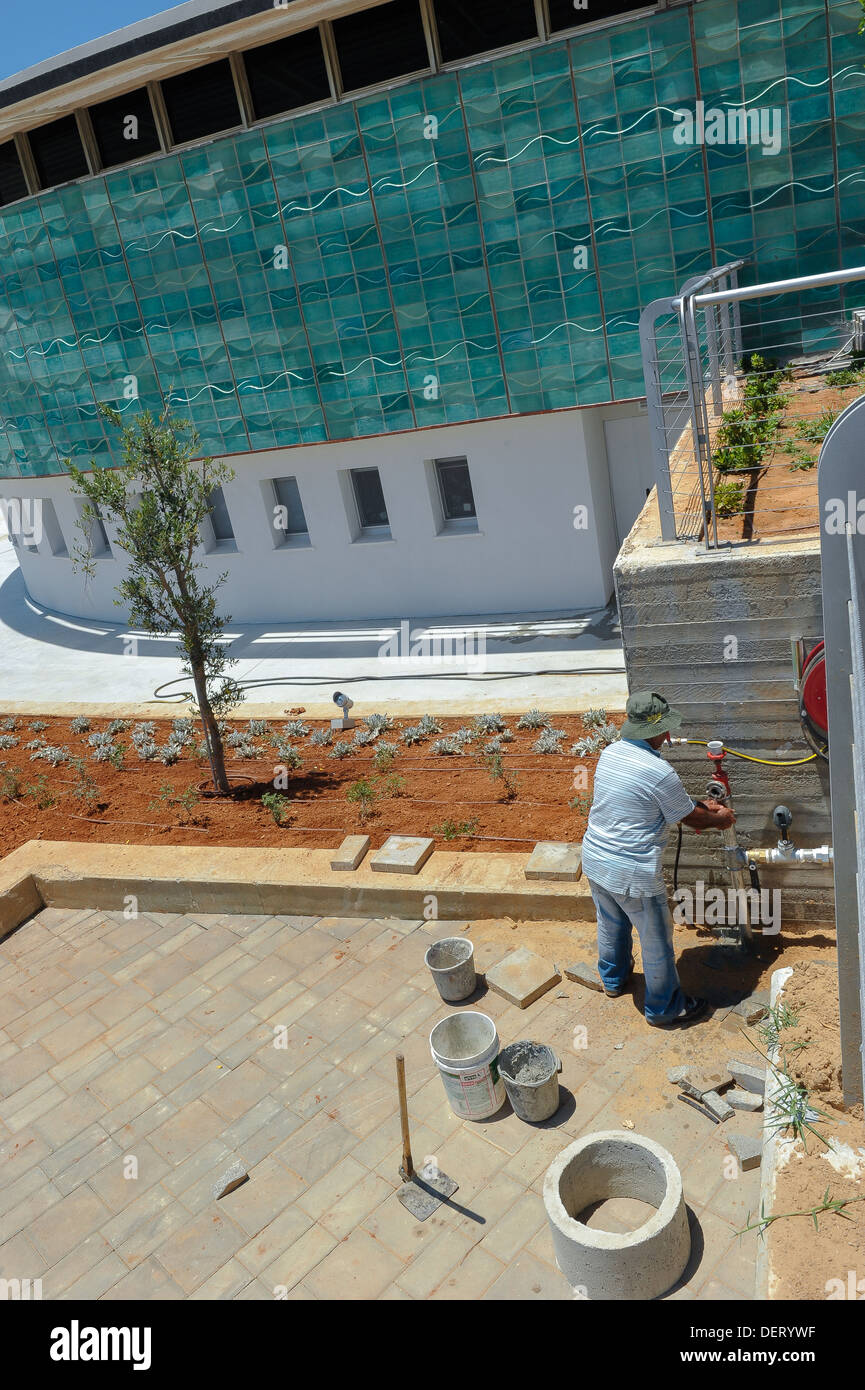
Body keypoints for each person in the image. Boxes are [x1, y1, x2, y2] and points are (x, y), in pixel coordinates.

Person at [580, 690, 735, 1028]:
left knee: (611, 923)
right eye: (664, 729)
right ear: (655, 730)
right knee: (656, 941)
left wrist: (700, 808)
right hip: (632, 874)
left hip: (595, 858)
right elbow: (691, 818)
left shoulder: (609, 753)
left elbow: (650, 800)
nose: (668, 735)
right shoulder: (658, 770)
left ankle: (613, 980)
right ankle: (665, 1008)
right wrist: (720, 819)